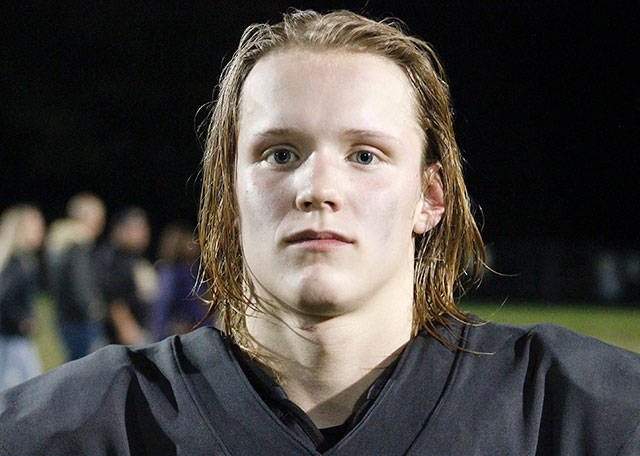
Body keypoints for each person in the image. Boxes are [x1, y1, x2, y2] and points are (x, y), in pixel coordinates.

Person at [1, 9, 639, 455]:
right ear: (228, 197)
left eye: (365, 155)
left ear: (430, 197)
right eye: (280, 154)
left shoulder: (579, 415)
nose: (318, 189)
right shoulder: (72, 429)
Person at [44, 192, 107, 359]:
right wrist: (93, 309)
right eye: (98, 217)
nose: (101, 223)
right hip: (80, 321)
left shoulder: (59, 243)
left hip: (64, 318)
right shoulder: (78, 247)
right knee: (88, 368)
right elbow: (81, 284)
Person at [95, 207, 155, 346]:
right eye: (138, 228)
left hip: (141, 327)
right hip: (122, 334)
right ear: (121, 230)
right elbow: (113, 297)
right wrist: (125, 326)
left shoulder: (135, 257)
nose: (144, 233)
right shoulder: (113, 258)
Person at [0, 204, 45, 391]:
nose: (41, 231)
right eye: (36, 227)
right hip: (12, 339)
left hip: (13, 338)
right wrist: (21, 320)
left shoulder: (22, 260)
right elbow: (4, 297)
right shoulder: (14, 262)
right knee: (33, 389)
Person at [152, 223, 208, 341]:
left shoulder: (165, 271)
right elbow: (195, 306)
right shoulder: (181, 274)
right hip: (184, 333)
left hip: (173, 334)